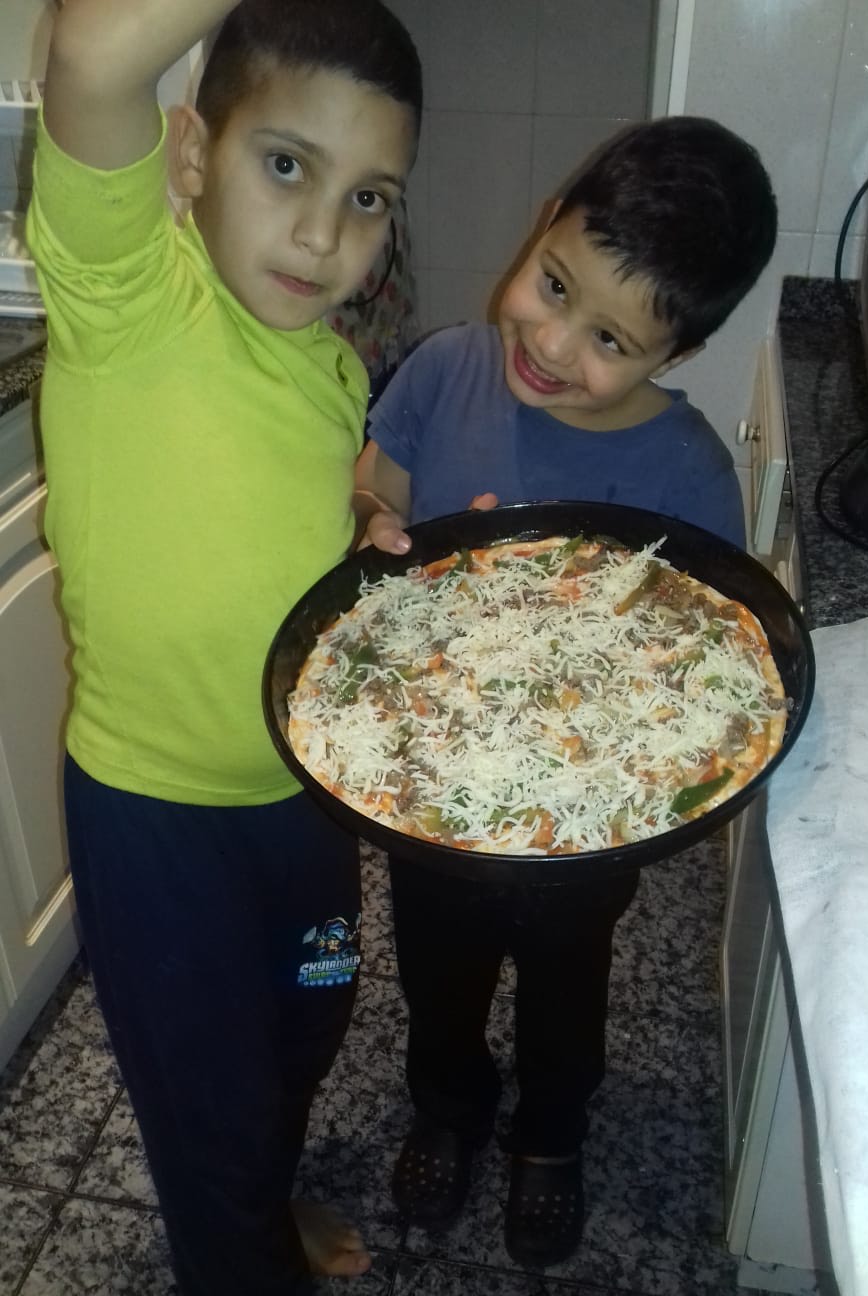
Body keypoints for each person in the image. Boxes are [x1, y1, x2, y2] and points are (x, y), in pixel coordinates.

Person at [27, 1, 421, 1292]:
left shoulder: (332, 369)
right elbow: (92, 56)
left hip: (305, 802)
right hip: (159, 825)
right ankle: (237, 1243)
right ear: (193, 153)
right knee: (209, 1106)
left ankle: (260, 1195)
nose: (322, 235)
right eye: (287, 165)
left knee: (312, 1013)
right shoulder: (133, 300)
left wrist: (365, 528)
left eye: (368, 198)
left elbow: (295, 503)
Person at [354, 116, 777, 1267]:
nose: (549, 343)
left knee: (565, 976)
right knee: (434, 969)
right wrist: (374, 524)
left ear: (673, 354)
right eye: (551, 284)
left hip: (583, 815)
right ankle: (447, 1103)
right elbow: (374, 490)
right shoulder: (444, 370)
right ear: (542, 225)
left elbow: (699, 655)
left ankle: (550, 1131)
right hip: (429, 785)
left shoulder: (687, 473)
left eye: (608, 340)